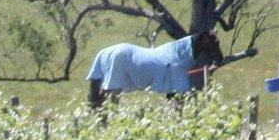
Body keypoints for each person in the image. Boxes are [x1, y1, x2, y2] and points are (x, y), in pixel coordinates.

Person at [87, 32, 225, 106]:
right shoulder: (175, 64)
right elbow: (178, 91)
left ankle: (97, 106)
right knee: (112, 90)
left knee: (109, 90)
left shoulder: (176, 54)